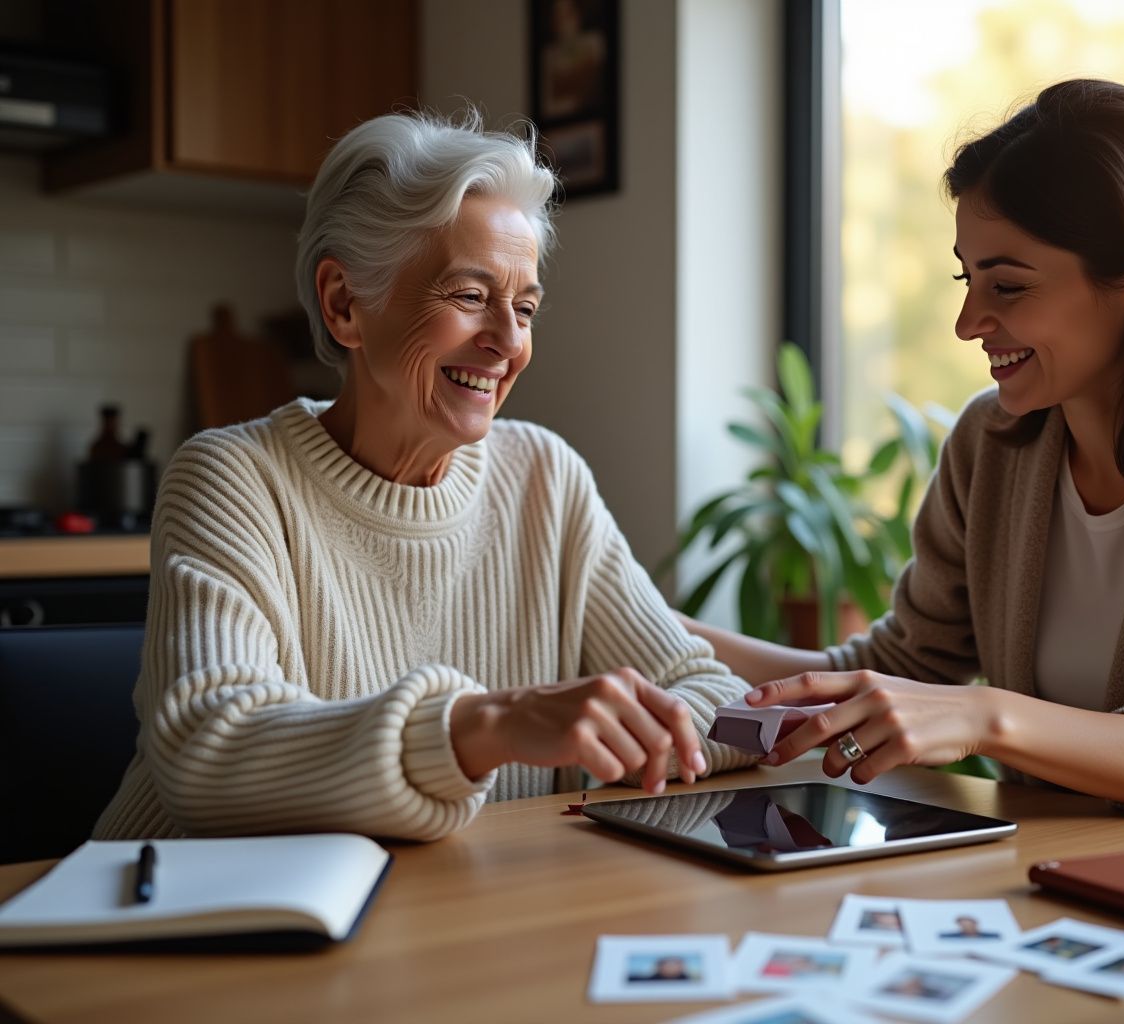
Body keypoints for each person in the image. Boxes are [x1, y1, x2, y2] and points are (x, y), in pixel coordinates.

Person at [681, 79, 1124, 848]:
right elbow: (896, 667)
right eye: (968, 279)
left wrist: (983, 717)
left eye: (1009, 285)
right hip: (1077, 874)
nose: (968, 322)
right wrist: (650, 627)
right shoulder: (991, 445)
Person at [93, 108, 756, 842]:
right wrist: (491, 725)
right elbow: (208, 754)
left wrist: (636, 737)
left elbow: (715, 696)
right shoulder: (233, 479)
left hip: (446, 912)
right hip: (190, 925)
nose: (508, 341)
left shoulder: (544, 478)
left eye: (525, 307)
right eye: (471, 297)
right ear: (346, 304)